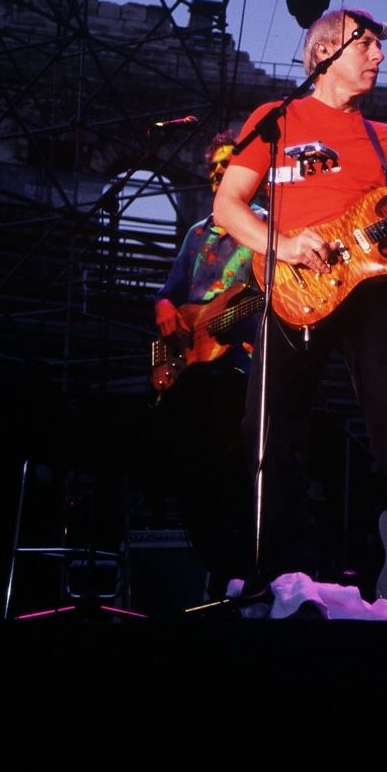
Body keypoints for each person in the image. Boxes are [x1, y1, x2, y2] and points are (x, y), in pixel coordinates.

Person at [212, 9, 387, 621]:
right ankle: (276, 578)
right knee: (268, 435)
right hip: (292, 288)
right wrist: (283, 244)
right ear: (324, 53)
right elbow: (229, 206)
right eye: (365, 45)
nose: (379, 56)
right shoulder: (275, 119)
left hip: (377, 289)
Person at [153, 130, 263, 602]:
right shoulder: (197, 234)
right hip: (192, 370)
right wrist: (163, 306)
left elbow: (272, 297)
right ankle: (208, 573)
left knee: (233, 475)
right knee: (192, 473)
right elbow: (170, 291)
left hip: (240, 370)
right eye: (215, 166)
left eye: (228, 164)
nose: (220, 172)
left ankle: (238, 577)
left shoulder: (266, 229)